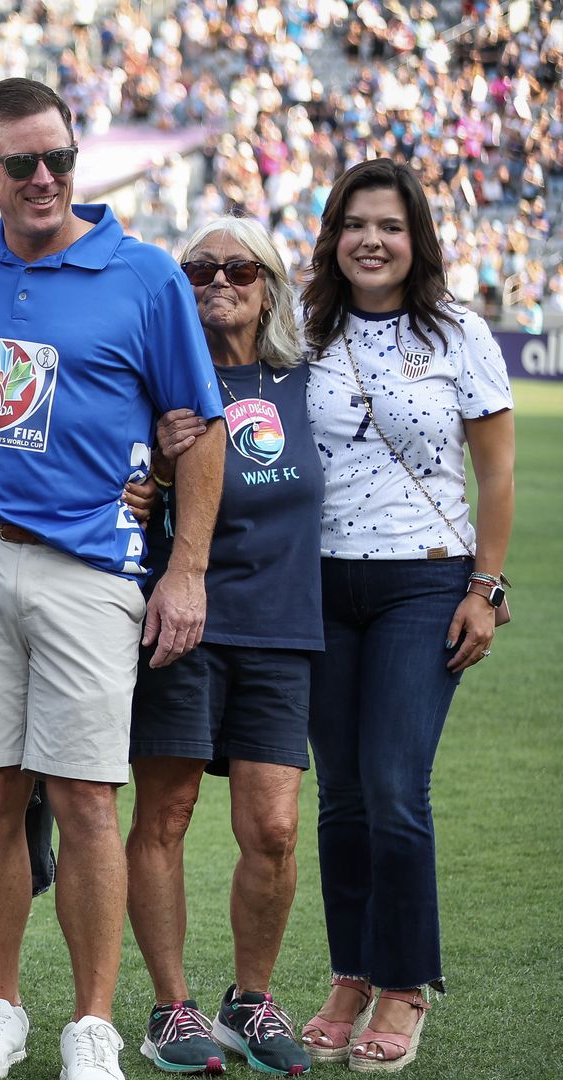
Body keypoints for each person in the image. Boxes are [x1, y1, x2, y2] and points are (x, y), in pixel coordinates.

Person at [0, 78, 225, 1080]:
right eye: (22, 163)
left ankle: (91, 1024)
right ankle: (0, 1010)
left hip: (92, 568)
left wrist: (185, 569)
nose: (45, 178)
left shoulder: (144, 275)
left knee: (88, 798)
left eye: (59, 157)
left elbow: (202, 423)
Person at [296, 158, 514, 1074]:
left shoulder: (458, 330)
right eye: (354, 224)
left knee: (393, 787)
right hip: (316, 587)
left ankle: (406, 982)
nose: (370, 241)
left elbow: (496, 473)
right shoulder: (302, 330)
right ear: (333, 237)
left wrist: (485, 587)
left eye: (387, 225)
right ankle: (350, 973)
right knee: (340, 794)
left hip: (424, 584)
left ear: (416, 236)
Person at [123, 216, 319, 1077]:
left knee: (273, 829)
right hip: (179, 619)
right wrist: (158, 473)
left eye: (238, 267)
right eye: (197, 267)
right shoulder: (153, 383)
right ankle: (172, 1009)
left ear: (269, 284)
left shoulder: (312, 382)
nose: (217, 280)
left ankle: (251, 999)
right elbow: (124, 498)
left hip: (281, 627)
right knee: (164, 816)